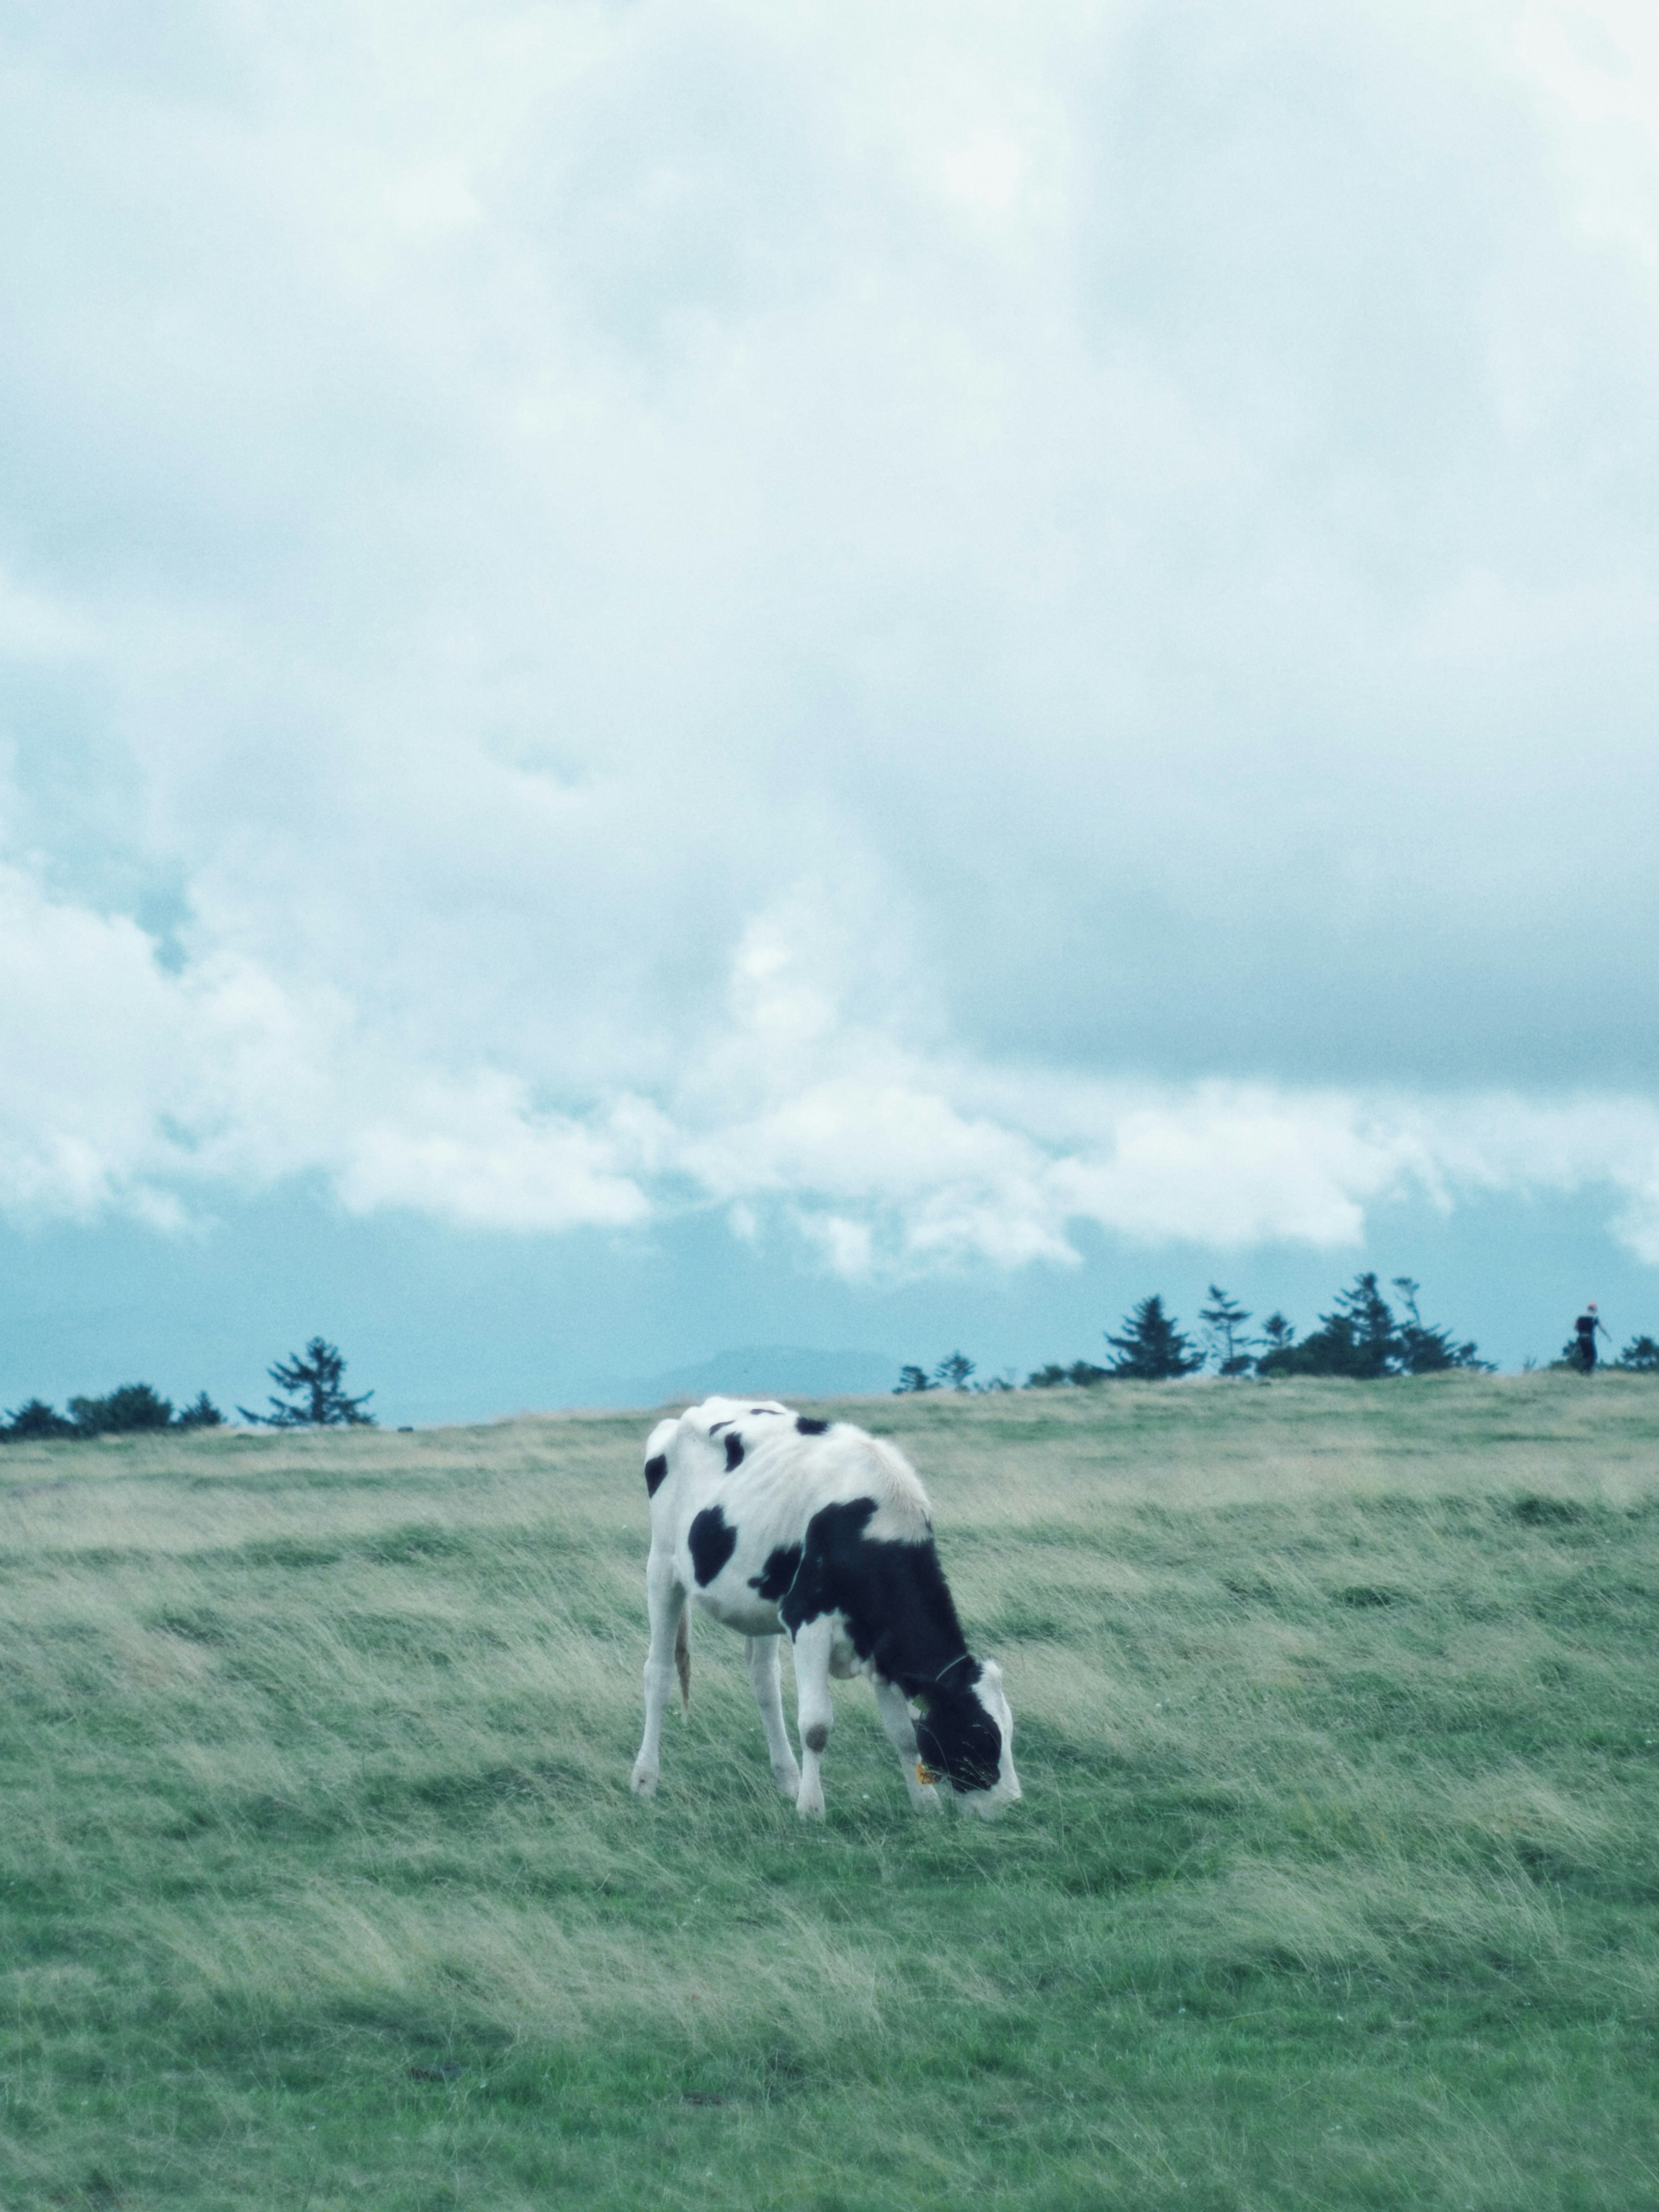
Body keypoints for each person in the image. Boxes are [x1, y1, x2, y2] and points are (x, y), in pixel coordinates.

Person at [1573, 1302, 1610, 1373]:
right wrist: (1608, 1336)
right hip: (1589, 1338)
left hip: (1581, 1338)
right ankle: (1585, 1369)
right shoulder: (1594, 1318)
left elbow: (1575, 1327)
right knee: (1593, 1356)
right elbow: (1602, 1328)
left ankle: (1585, 1371)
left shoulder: (1580, 1317)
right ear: (1594, 1310)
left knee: (1585, 1355)